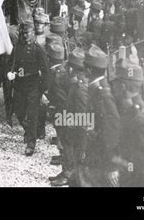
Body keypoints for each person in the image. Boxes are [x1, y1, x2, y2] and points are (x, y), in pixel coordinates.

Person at [110, 58, 144, 187]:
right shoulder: (130, 110)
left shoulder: (137, 119)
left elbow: (143, 165)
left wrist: (119, 162)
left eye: (115, 83)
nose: (112, 86)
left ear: (122, 86)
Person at [7, 20, 49, 156]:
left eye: (27, 33)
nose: (25, 36)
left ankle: (31, 144)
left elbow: (46, 71)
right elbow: (11, 62)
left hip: (33, 85)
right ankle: (30, 130)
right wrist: (10, 73)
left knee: (32, 114)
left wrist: (42, 89)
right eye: (23, 33)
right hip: (19, 84)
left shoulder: (38, 49)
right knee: (19, 111)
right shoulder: (17, 47)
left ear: (33, 33)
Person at [81, 44, 121, 187]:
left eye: (84, 65)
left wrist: (112, 166)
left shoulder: (102, 94)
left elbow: (111, 130)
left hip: (102, 160)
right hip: (95, 154)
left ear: (89, 69)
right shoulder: (96, 89)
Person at [50, 47, 89, 187]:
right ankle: (68, 172)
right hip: (71, 118)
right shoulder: (76, 81)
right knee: (66, 142)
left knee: (69, 144)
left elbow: (81, 111)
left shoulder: (79, 84)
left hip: (75, 122)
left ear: (73, 68)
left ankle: (68, 174)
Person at [45, 42, 68, 167]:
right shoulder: (60, 70)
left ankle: (63, 156)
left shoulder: (56, 74)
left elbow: (60, 96)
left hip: (60, 109)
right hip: (61, 108)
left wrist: (52, 105)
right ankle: (62, 153)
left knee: (61, 131)